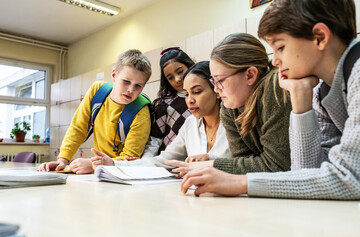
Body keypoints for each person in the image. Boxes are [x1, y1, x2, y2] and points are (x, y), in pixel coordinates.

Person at [180, 0, 360, 199]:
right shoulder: (321, 91)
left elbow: (349, 178)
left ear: (319, 37)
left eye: (280, 47)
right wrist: (301, 103)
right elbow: (305, 173)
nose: (274, 61)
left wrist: (241, 182)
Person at [166, 33, 292, 176]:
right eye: (213, 81)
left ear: (250, 75)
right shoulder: (229, 107)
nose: (216, 89)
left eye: (220, 80)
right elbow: (241, 162)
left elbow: (278, 165)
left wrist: (211, 165)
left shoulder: (275, 88)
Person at [90, 61, 231, 169]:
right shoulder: (190, 124)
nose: (190, 100)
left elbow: (249, 164)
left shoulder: (237, 122)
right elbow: (164, 160)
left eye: (197, 91)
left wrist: (211, 161)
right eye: (186, 94)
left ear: (217, 90)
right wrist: (114, 164)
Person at [38, 49, 152, 174]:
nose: (131, 89)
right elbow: (78, 127)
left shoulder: (141, 112)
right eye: (126, 82)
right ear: (114, 75)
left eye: (138, 86)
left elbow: (130, 159)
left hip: (122, 174)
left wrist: (95, 165)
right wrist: (62, 160)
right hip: (100, 168)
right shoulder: (97, 91)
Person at [140, 47, 194, 158]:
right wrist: (144, 163)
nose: (177, 79)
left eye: (180, 72)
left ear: (190, 66)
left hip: (194, 161)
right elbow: (154, 140)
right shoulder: (164, 105)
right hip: (167, 161)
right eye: (170, 77)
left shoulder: (205, 99)